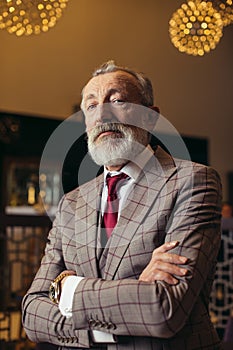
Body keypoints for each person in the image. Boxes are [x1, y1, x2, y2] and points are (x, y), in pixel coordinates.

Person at [22, 61, 222, 349]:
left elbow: (164, 310)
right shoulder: (71, 203)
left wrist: (68, 289)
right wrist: (130, 297)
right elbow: (31, 314)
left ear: (151, 117)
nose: (102, 113)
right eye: (91, 106)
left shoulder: (194, 181)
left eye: (117, 101)